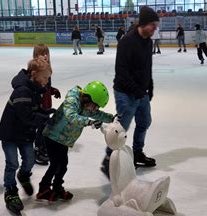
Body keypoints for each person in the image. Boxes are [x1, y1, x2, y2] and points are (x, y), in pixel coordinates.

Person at [101, 6, 159, 177]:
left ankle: (137, 153)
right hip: (125, 93)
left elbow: (147, 66)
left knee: (144, 122)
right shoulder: (127, 41)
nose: (155, 29)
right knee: (121, 129)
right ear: (143, 23)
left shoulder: (148, 41)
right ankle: (108, 161)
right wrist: (137, 91)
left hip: (142, 92)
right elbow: (122, 72)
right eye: (152, 26)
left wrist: (150, 85)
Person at [36, 81, 114, 202]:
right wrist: (89, 122)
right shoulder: (72, 100)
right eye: (95, 105)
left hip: (65, 139)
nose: (95, 108)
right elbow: (70, 116)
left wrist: (112, 118)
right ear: (87, 98)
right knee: (55, 164)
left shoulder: (87, 105)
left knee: (63, 166)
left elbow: (97, 114)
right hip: (52, 135)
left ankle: (57, 187)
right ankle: (43, 188)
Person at [0, 56, 55, 216]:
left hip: (25, 133)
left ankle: (23, 175)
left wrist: (46, 112)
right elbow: (26, 115)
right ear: (34, 74)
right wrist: (45, 119)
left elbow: (33, 109)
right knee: (12, 163)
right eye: (45, 78)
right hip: (10, 134)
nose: (46, 82)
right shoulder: (23, 90)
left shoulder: (34, 89)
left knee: (29, 159)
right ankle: (10, 190)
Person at [32, 44, 61, 165]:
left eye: (46, 53)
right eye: (41, 54)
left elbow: (46, 87)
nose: (45, 56)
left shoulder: (47, 69)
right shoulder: (36, 71)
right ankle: (38, 150)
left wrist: (53, 90)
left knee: (45, 127)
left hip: (47, 105)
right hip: (40, 106)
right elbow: (35, 89)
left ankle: (43, 147)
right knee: (41, 128)